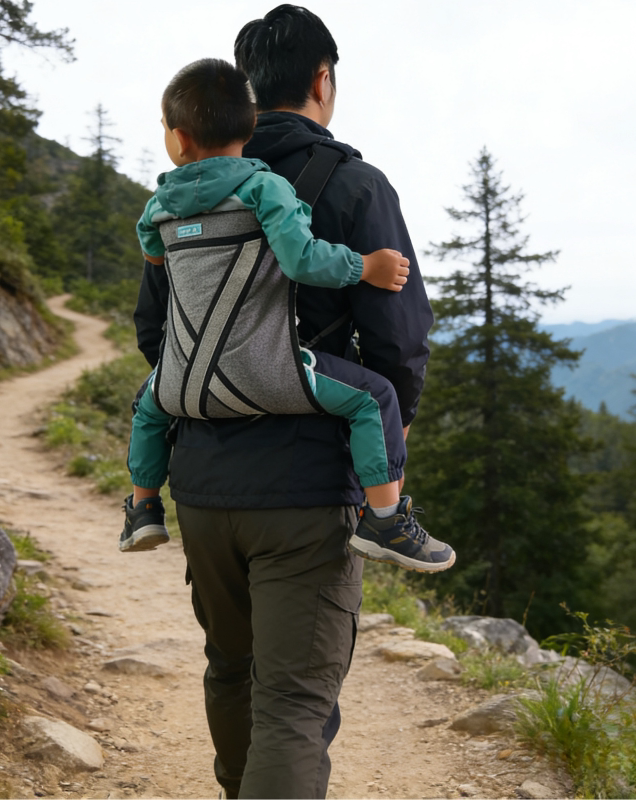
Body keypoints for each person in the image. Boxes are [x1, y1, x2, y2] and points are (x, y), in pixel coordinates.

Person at [132, 6, 435, 797]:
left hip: (200, 488)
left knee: (231, 670)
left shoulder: (181, 197)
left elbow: (155, 334)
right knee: (295, 702)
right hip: (305, 492)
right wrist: (363, 440)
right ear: (322, 79)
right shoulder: (355, 186)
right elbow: (398, 345)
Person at [121, 58, 455, 575]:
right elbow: (301, 260)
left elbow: (153, 275)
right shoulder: (265, 188)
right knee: (377, 397)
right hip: (279, 377)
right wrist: (365, 266)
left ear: (179, 140)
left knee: (148, 403)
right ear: (250, 126)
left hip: (188, 386)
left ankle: (143, 508)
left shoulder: (159, 205)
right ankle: (386, 519)